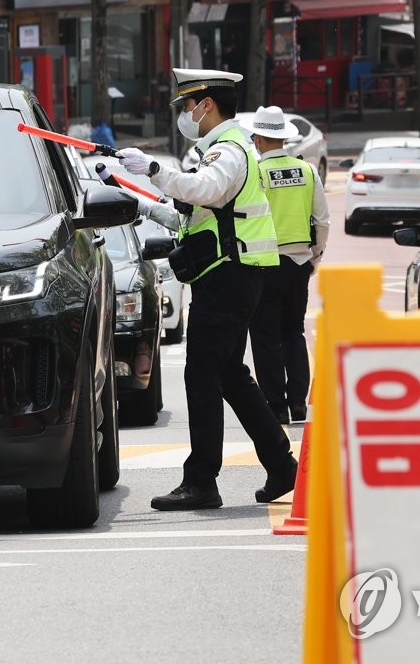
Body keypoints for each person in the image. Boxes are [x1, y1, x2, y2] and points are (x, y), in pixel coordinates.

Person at [119, 68, 298, 512]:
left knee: (202, 377)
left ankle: (202, 481)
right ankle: (281, 464)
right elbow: (191, 216)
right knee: (230, 376)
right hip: (229, 275)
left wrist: (156, 169)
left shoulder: (230, 150)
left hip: (229, 277)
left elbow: (209, 191)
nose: (184, 114)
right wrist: (139, 200)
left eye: (187, 106)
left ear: (207, 105)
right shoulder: (218, 150)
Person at [243, 106, 329, 425]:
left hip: (263, 264)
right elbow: (322, 219)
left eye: (255, 135)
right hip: (298, 263)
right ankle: (298, 404)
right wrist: (315, 257)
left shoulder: (255, 172)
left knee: (265, 335)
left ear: (261, 139)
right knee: (294, 331)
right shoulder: (306, 171)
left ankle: (276, 406)